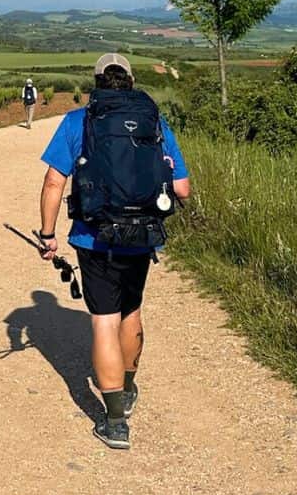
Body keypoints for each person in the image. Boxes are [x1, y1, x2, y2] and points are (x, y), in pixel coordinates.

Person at [36, 53, 190, 450]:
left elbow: (54, 183)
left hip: (94, 236)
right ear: (131, 81)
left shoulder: (78, 121)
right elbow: (184, 188)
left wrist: (48, 235)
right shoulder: (154, 120)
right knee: (131, 311)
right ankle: (129, 387)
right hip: (142, 236)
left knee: (104, 319)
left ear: (96, 83)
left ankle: (115, 420)